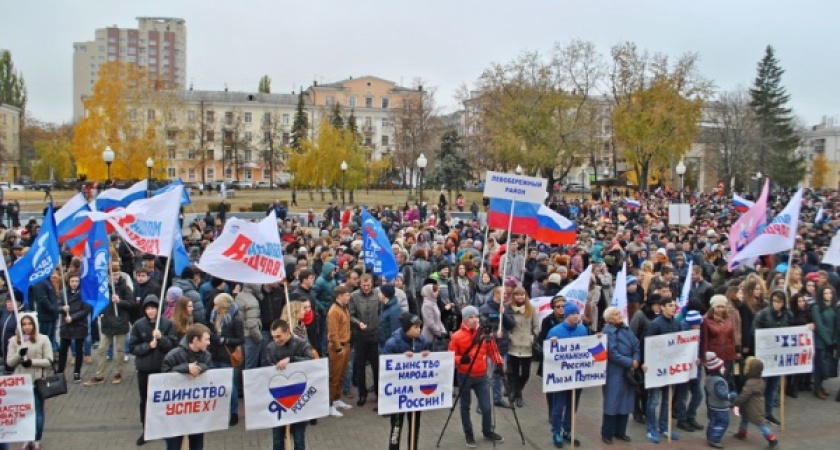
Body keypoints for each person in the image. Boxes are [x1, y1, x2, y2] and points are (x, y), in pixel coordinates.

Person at [448, 305, 504, 448]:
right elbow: (450, 357)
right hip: (464, 375)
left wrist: (499, 363)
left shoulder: (485, 334)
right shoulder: (457, 336)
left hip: (481, 375)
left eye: (476, 317)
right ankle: (468, 433)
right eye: (470, 317)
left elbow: (494, 351)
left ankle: (487, 430)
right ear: (464, 320)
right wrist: (460, 360)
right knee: (465, 406)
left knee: (486, 407)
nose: (474, 320)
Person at [129, 294, 177, 446]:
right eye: (148, 308)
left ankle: (163, 428)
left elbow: (173, 345)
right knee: (145, 401)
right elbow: (132, 347)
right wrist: (147, 346)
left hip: (162, 370)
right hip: (144, 370)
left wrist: (161, 338)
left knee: (163, 401)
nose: (151, 311)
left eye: (153, 308)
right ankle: (147, 430)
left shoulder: (168, 324)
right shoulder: (138, 325)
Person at [262, 319, 314, 450]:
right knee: (277, 440)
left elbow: (311, 360)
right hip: (279, 400)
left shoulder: (301, 344)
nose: (276, 340)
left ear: (287, 332)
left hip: (298, 399)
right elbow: (266, 367)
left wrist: (291, 360)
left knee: (298, 438)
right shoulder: (271, 347)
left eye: (278, 336)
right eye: (273, 337)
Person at [382, 313, 431, 450]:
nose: (419, 330)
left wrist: (428, 355)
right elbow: (385, 366)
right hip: (399, 396)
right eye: (415, 327)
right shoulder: (392, 343)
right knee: (396, 426)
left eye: (419, 327)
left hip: (415, 394)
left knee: (415, 425)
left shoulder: (422, 341)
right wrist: (401, 359)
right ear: (406, 328)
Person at [161, 323, 213, 450]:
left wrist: (200, 369)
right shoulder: (174, 355)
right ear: (195, 340)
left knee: (197, 445)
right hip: (175, 413)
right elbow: (164, 376)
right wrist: (185, 369)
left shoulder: (206, 355)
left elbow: (210, 369)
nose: (209, 343)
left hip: (195, 411)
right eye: (206, 339)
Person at [6, 313, 52, 450]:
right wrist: (18, 354)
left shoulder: (43, 339)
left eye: (29, 324)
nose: (27, 327)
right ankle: (27, 439)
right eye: (24, 324)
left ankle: (36, 439)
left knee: (38, 412)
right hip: (21, 384)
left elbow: (49, 360)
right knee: (24, 413)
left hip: (37, 381)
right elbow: (9, 362)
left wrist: (31, 362)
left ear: (34, 325)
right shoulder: (14, 341)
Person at [85, 263, 134, 386]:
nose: (116, 277)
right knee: (102, 349)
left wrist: (120, 301)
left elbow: (131, 304)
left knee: (120, 350)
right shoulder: (104, 288)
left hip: (121, 321)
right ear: (108, 275)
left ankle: (119, 373)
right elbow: (99, 302)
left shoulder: (125, 288)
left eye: (117, 274)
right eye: (113, 274)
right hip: (107, 322)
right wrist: (100, 313)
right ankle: (99, 374)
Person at [546, 302, 587, 448]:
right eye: (572, 314)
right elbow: (548, 353)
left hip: (576, 375)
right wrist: (551, 343)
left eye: (577, 313)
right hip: (561, 376)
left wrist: (598, 340)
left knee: (572, 405)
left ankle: (568, 430)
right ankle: (556, 431)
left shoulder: (582, 329)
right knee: (558, 405)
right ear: (566, 315)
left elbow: (586, 349)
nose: (576, 316)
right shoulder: (555, 331)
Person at [643, 296, 681, 443]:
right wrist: (646, 363)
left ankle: (664, 426)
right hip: (657, 367)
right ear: (662, 307)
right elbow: (648, 344)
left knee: (667, 398)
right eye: (670, 305)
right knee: (654, 400)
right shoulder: (654, 324)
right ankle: (651, 428)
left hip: (670, 367)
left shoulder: (676, 324)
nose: (673, 308)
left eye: (674, 306)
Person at [751, 289, 790, 425]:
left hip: (778, 358)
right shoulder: (763, 315)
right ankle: (758, 413)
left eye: (780, 302)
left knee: (773, 387)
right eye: (775, 301)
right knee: (762, 386)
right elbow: (754, 331)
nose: (777, 304)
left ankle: (768, 413)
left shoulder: (787, 315)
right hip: (765, 356)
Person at [601, 306, 639, 445]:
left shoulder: (626, 329)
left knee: (626, 401)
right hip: (614, 371)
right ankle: (607, 433)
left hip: (629, 370)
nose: (620, 315)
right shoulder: (608, 331)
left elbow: (636, 345)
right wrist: (630, 362)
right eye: (616, 314)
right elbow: (612, 353)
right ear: (610, 318)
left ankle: (621, 431)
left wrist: (636, 359)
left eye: (619, 313)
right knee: (612, 402)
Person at [209, 293, 244, 426]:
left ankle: (234, 412)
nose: (214, 306)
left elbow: (241, 339)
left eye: (216, 304)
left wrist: (225, 340)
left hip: (228, 356)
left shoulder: (236, 319)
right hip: (215, 354)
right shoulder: (214, 315)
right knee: (217, 385)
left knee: (230, 386)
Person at [733, 357, 779, 448]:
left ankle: (772, 439)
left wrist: (735, 403)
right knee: (744, 418)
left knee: (760, 424)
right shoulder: (760, 381)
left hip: (753, 407)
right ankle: (742, 432)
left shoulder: (750, 383)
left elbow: (743, 396)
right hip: (754, 406)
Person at [349, 274, 380, 406]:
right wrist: (358, 323)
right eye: (363, 285)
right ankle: (362, 394)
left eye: (368, 285)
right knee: (360, 366)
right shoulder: (354, 296)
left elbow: (381, 312)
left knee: (376, 365)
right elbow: (350, 315)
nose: (366, 288)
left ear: (372, 284)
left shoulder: (377, 294)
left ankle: (379, 392)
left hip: (374, 335)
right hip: (360, 336)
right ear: (360, 284)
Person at [506, 286, 539, 408]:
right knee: (514, 372)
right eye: (517, 294)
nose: (520, 297)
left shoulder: (531, 309)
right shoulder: (508, 308)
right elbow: (506, 324)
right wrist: (509, 336)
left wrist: (533, 337)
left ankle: (516, 390)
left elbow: (536, 325)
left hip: (527, 345)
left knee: (525, 373)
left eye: (522, 294)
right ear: (514, 296)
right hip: (513, 344)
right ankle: (519, 396)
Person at [57, 273, 91, 383]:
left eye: (76, 281)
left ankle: (77, 372)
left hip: (79, 325)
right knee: (63, 350)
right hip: (66, 326)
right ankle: (60, 372)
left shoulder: (84, 293)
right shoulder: (63, 293)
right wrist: (63, 308)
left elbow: (86, 310)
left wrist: (73, 317)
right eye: (72, 281)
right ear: (68, 282)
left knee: (78, 350)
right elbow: (57, 306)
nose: (74, 284)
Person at [327, 286, 354, 417]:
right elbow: (333, 333)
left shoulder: (343, 308)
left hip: (345, 345)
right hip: (338, 348)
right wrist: (338, 348)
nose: (349, 297)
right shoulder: (334, 311)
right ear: (339, 296)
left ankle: (337, 399)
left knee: (341, 375)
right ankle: (330, 404)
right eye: (347, 295)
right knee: (335, 377)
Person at [704, 352, 737, 449]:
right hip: (720, 407)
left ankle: (710, 435)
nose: (724, 369)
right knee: (723, 422)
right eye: (722, 367)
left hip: (711, 405)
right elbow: (721, 394)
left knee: (713, 421)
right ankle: (715, 438)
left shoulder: (708, 378)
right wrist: (731, 395)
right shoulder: (719, 381)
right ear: (717, 369)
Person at [811, 285, 836, 400]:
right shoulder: (816, 307)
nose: (828, 296)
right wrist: (827, 340)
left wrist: (833, 340)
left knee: (825, 365)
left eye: (830, 293)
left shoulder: (832, 307)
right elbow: (819, 325)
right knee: (819, 365)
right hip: (820, 340)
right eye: (826, 293)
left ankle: (820, 386)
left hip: (830, 340)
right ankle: (817, 387)